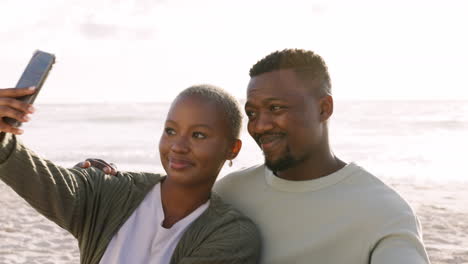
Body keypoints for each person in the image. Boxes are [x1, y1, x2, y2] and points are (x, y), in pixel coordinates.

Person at [83, 49, 431, 263]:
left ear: (324, 108)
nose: (260, 125)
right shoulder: (229, 191)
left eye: (276, 108)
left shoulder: (383, 212)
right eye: (252, 112)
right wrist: (103, 178)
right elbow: (156, 219)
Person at [0, 85, 261, 264]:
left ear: (232, 149)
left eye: (198, 135)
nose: (178, 147)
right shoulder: (109, 193)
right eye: (170, 131)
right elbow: (34, 175)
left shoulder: (232, 236)